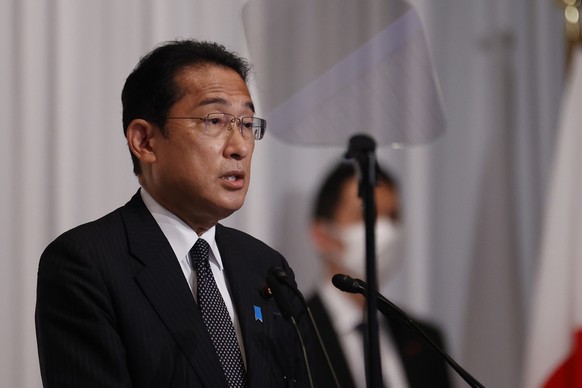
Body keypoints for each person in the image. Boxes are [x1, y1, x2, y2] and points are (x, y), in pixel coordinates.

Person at [35, 39, 309, 388]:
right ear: (145, 141)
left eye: (246, 123)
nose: (239, 147)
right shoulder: (86, 263)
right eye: (215, 120)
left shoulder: (266, 268)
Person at [307, 160, 451, 388]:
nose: (384, 231)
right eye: (367, 215)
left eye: (392, 217)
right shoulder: (293, 333)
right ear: (321, 235)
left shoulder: (426, 341)